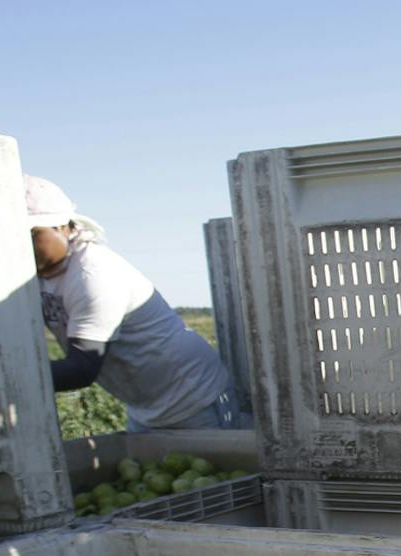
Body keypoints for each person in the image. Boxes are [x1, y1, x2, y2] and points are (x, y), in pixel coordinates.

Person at [25, 176, 243, 432]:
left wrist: (3, 383)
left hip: (194, 399)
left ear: (62, 226)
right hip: (145, 408)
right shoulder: (34, 278)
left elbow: (81, 368)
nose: (22, 244)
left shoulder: (91, 273)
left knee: (213, 469)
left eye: (31, 233)